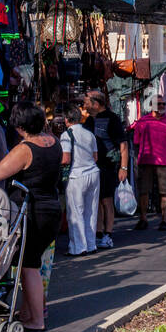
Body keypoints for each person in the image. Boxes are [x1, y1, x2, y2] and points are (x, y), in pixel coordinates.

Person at [0, 104, 63, 332]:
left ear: (20, 127)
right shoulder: (54, 142)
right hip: (52, 208)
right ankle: (30, 312)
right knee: (34, 263)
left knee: (28, 265)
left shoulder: (25, 149)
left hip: (33, 211)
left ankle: (36, 320)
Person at [82, 90, 129, 250]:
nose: (84, 105)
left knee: (106, 200)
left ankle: (108, 234)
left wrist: (123, 167)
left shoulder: (112, 119)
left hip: (108, 166)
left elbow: (123, 145)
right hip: (91, 166)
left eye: (87, 101)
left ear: (96, 103)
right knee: (96, 200)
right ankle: (99, 233)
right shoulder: (88, 120)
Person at [131, 96, 166, 232]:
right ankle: (143, 218)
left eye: (163, 103)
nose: (161, 106)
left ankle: (164, 219)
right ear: (151, 105)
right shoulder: (142, 121)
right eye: (158, 104)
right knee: (144, 191)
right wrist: (137, 160)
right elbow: (136, 142)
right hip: (146, 160)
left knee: (163, 191)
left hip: (163, 160)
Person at [60, 104, 100, 256]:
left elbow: (65, 158)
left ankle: (78, 247)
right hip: (93, 173)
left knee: (76, 212)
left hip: (77, 175)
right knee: (91, 211)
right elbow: (96, 157)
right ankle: (91, 244)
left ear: (66, 119)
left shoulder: (66, 135)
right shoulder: (89, 134)